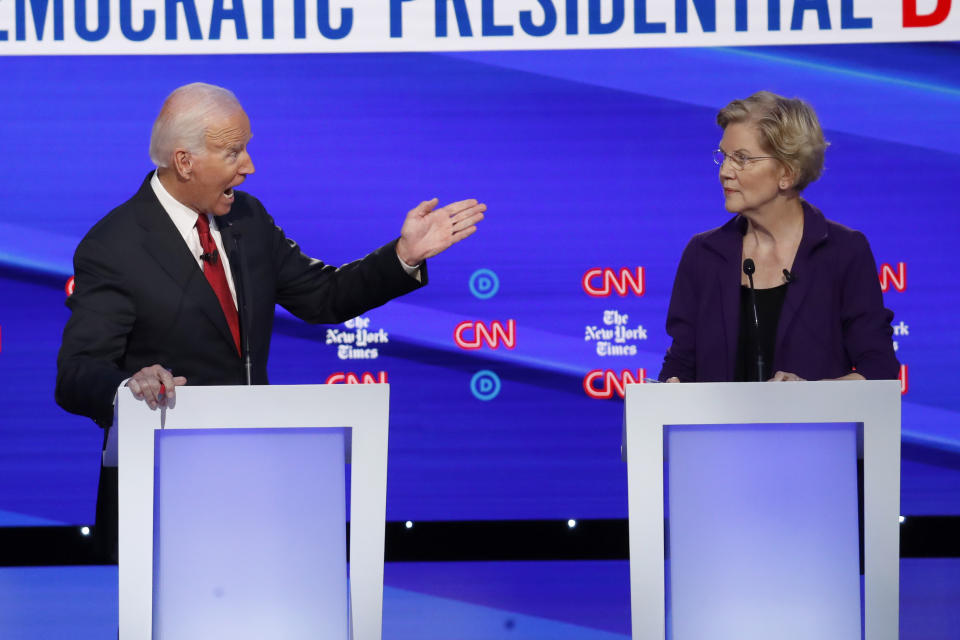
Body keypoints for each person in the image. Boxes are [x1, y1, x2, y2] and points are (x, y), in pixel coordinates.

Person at [55, 82, 486, 558]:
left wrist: (403, 256)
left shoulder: (249, 220)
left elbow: (324, 296)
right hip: (162, 496)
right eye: (234, 152)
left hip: (258, 486)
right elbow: (77, 372)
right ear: (185, 162)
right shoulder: (114, 246)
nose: (249, 167)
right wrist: (129, 388)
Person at [658, 91, 898, 383]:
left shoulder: (843, 252)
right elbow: (681, 363)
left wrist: (811, 394)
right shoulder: (703, 255)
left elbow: (879, 370)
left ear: (787, 173)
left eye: (742, 159)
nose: (725, 171)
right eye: (724, 156)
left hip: (815, 428)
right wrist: (671, 385)